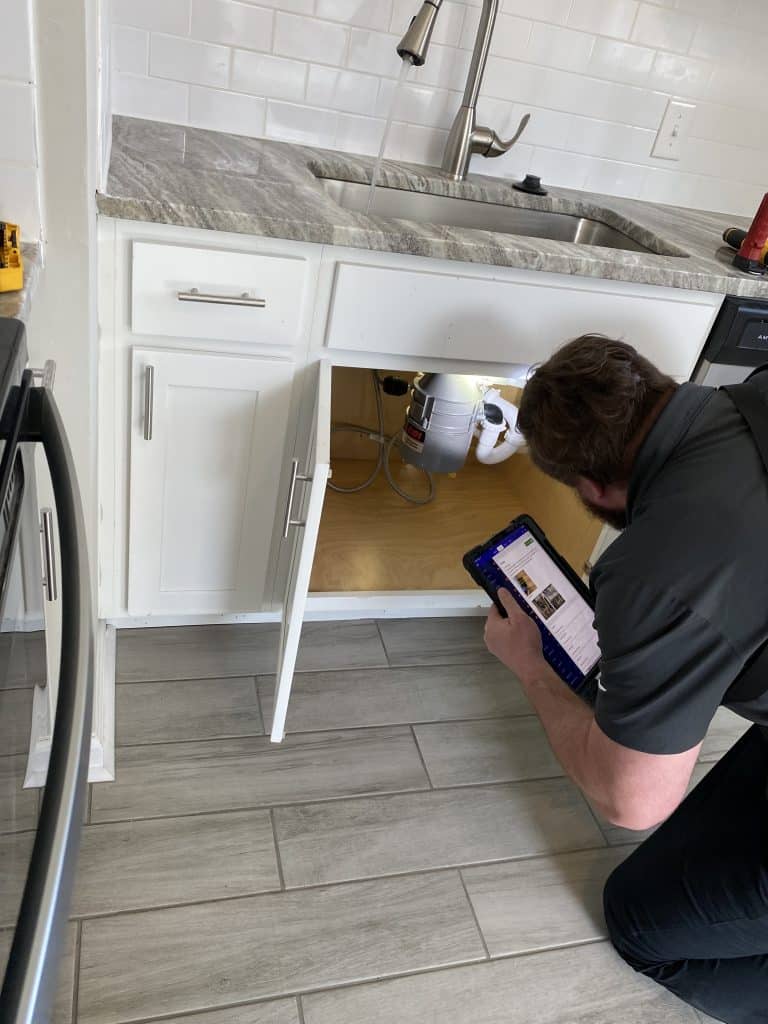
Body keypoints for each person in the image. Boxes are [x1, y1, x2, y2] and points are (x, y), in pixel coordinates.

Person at [483, 334, 768, 1024]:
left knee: (639, 919)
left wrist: (531, 669)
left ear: (590, 487)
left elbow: (632, 803)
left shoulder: (652, 576)